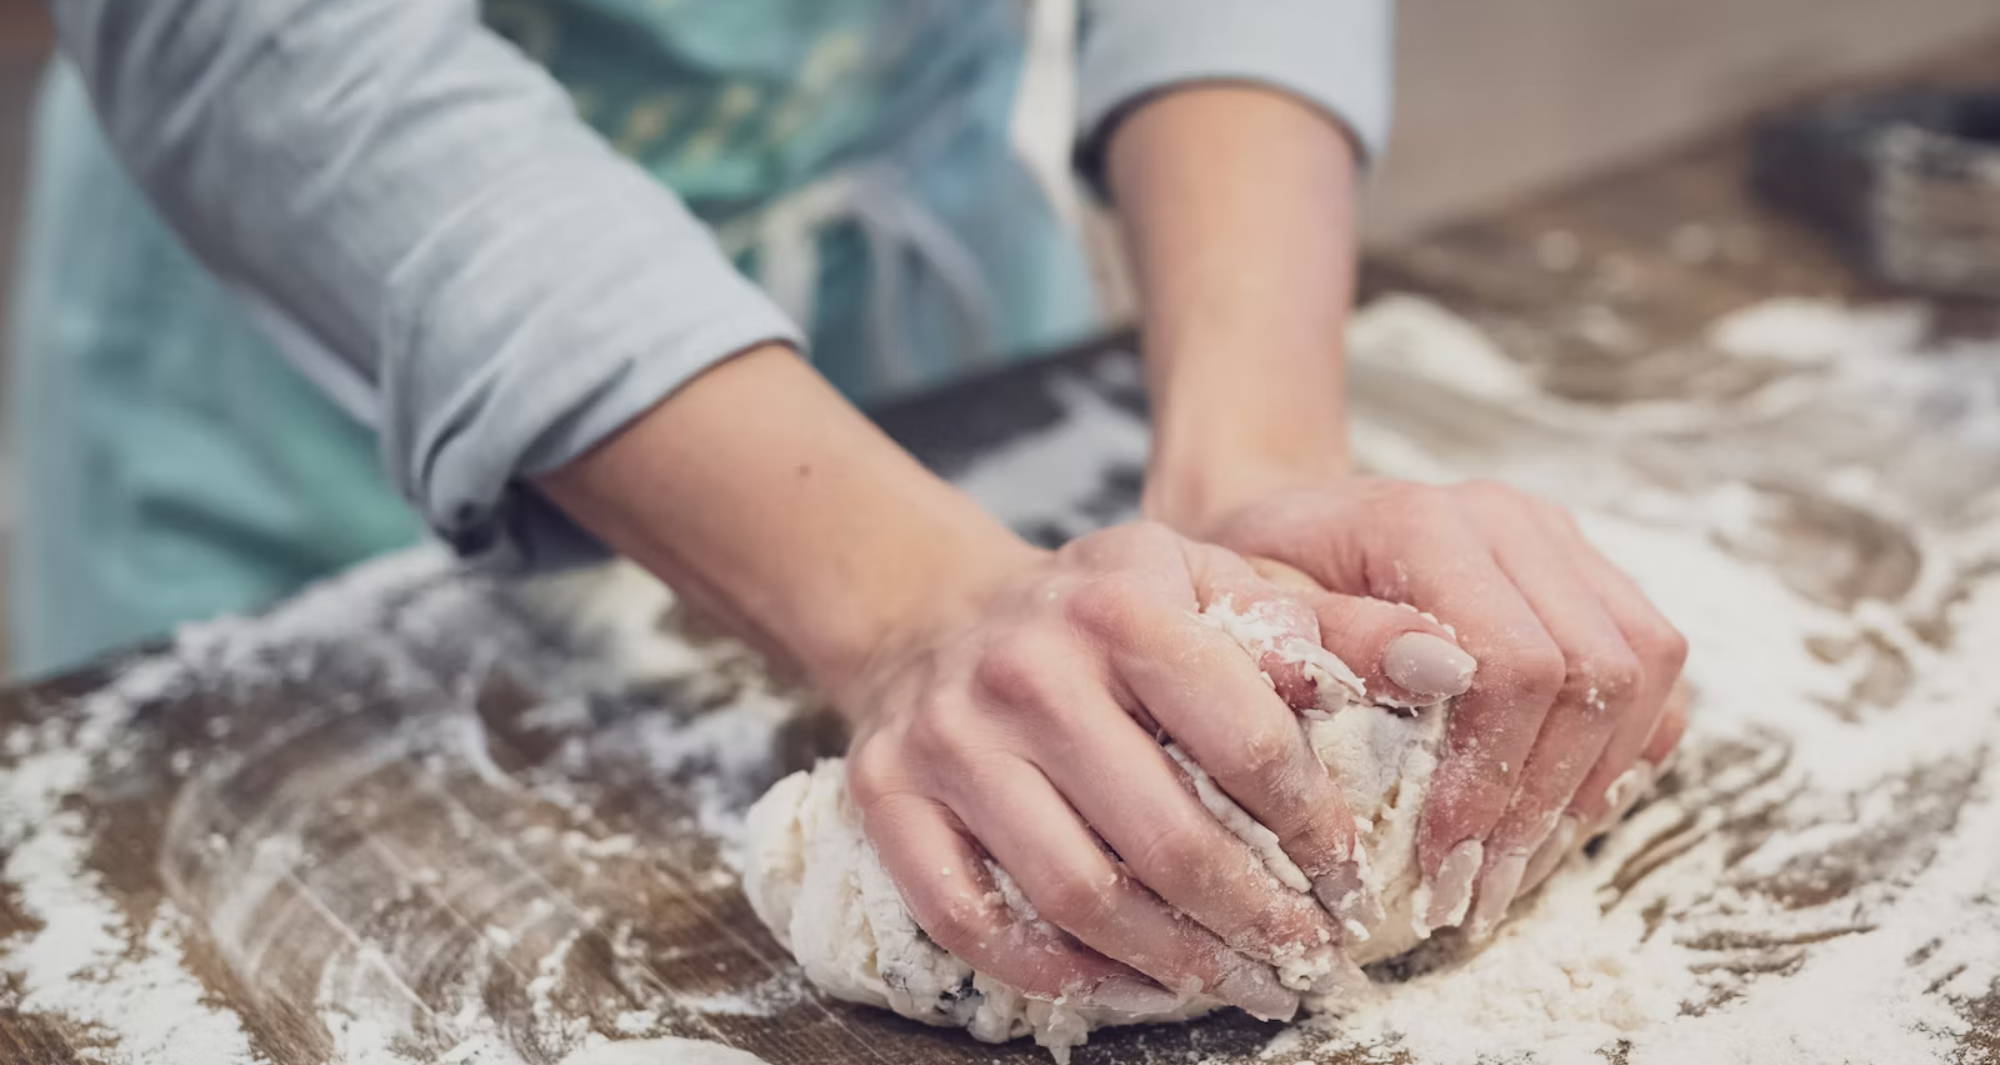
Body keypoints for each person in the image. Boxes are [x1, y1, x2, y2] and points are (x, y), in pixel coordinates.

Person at [12, 0, 1687, 1020]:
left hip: (913, 297)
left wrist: (1252, 467)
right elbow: (261, 36)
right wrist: (909, 602)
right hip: (329, 350)